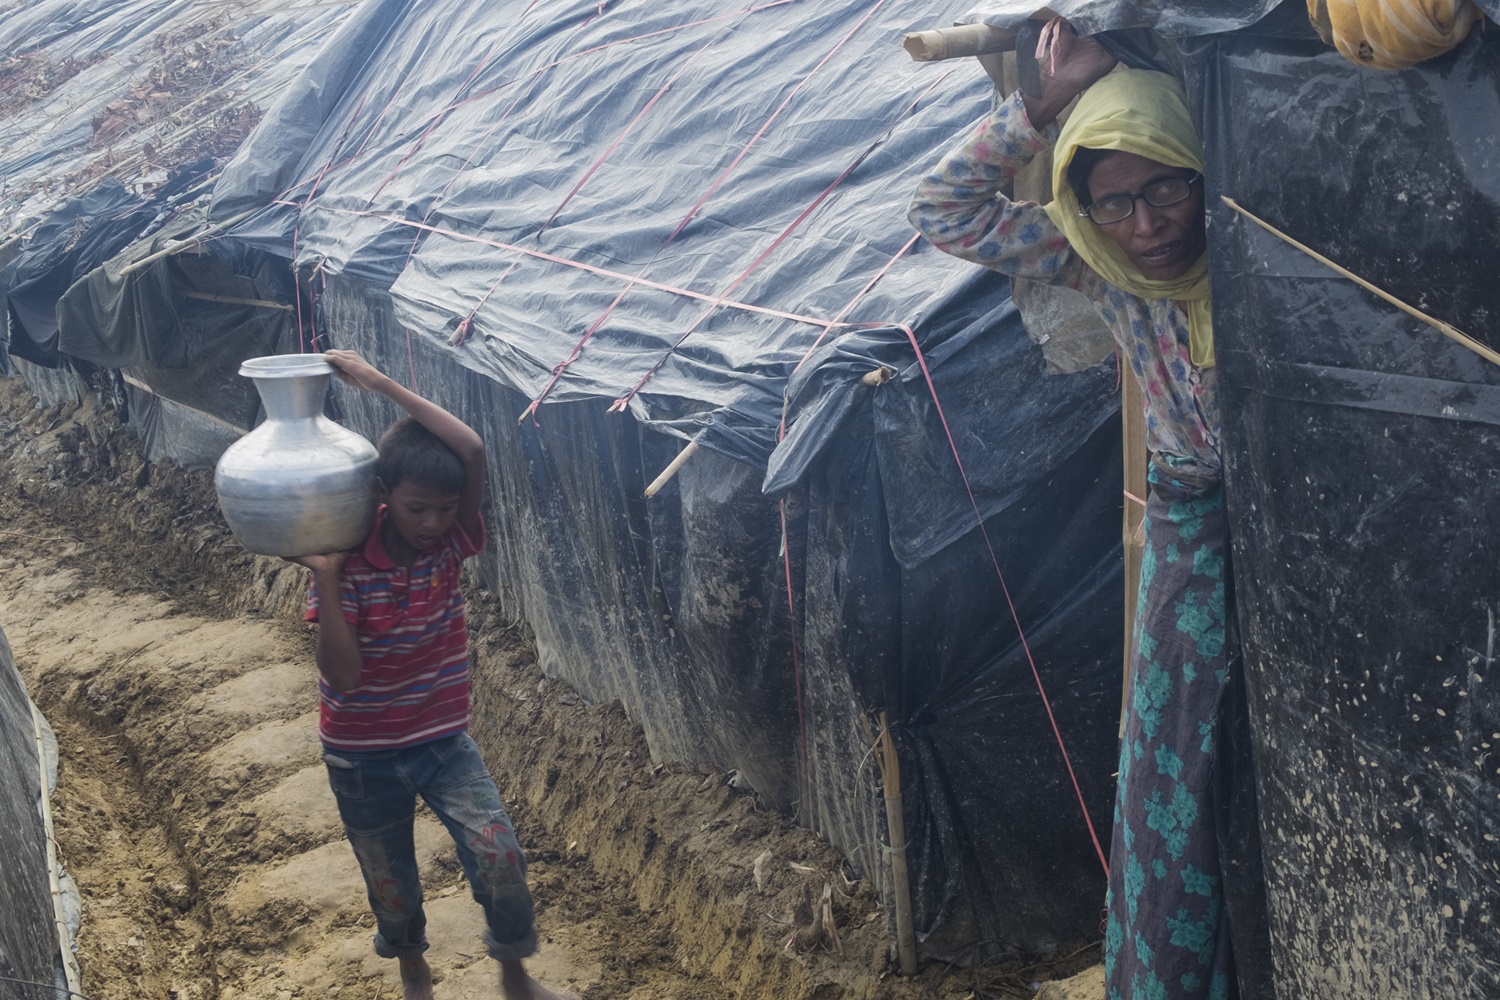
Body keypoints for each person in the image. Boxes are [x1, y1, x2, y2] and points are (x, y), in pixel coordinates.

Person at [908, 23, 1265, 1000]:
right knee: (1178, 755)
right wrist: (1041, 108)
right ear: (1084, 208)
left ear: (1203, 172)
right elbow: (941, 208)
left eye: (1166, 186)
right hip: (1196, 525)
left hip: (1298, 527)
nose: (1146, 222)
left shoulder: (1261, 247)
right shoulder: (1092, 260)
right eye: (1114, 201)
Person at [292, 349, 577, 1000]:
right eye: (418, 508)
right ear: (383, 497)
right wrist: (327, 580)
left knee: (501, 858)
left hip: (442, 742)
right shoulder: (348, 564)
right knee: (390, 885)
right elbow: (345, 678)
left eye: (446, 509)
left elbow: (471, 449)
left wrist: (382, 382)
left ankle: (514, 974)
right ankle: (413, 969)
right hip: (361, 756)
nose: (433, 523)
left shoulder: (455, 542)